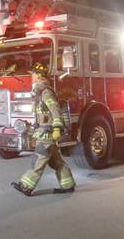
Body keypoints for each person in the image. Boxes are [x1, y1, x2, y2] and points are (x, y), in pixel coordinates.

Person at [11, 62, 76, 197]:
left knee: (38, 160)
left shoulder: (45, 92)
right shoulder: (39, 92)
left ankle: (26, 186)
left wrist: (57, 128)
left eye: (33, 74)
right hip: (44, 132)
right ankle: (68, 184)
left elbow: (55, 110)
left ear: (39, 75)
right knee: (56, 161)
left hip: (47, 134)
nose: (32, 77)